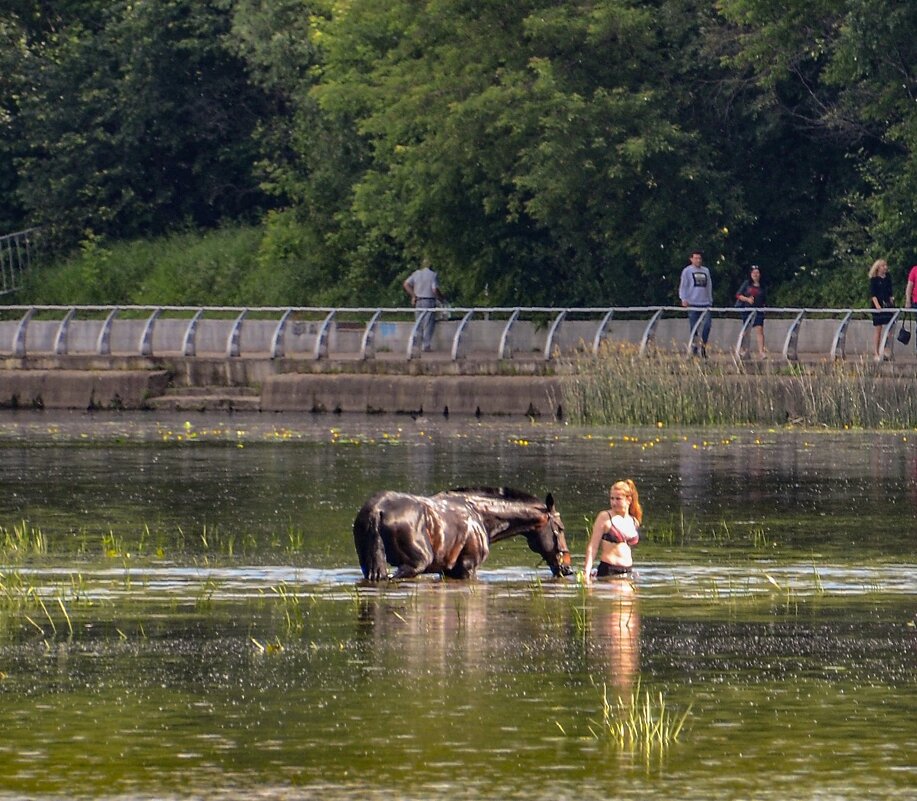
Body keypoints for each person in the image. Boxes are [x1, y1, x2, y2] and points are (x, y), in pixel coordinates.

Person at [584, 479, 642, 582]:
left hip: (628, 572)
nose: (614, 502)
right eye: (612, 498)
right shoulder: (605, 517)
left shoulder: (634, 521)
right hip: (609, 570)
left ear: (628, 500)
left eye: (618, 499)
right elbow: (593, 546)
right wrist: (586, 572)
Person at [403, 257, 445, 352]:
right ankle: (426, 345)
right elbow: (434, 289)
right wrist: (441, 298)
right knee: (428, 323)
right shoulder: (433, 275)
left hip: (418, 300)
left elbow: (406, 284)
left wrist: (413, 295)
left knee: (419, 323)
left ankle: (416, 344)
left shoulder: (416, 274)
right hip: (428, 300)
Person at [678, 250, 713, 356]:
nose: (698, 260)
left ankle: (703, 347)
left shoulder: (705, 270)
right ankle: (694, 349)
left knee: (707, 325)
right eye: (696, 258)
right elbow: (683, 285)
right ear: (691, 259)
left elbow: (709, 285)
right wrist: (683, 298)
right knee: (694, 328)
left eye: (700, 258)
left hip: (705, 303)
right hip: (693, 303)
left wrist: (710, 299)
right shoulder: (687, 271)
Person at [735, 265, 767, 358]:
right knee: (746, 330)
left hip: (759, 310)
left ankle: (761, 351)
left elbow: (764, 298)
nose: (755, 274)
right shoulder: (746, 284)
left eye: (757, 272)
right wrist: (747, 299)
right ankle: (744, 350)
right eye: (753, 273)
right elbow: (738, 295)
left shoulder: (763, 285)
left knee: (759, 330)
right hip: (747, 309)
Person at [868, 258, 894, 361]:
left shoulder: (888, 278)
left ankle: (886, 350)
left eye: (886, 265)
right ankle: (876, 352)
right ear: (878, 268)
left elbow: (890, 292)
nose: (885, 267)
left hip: (887, 305)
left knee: (890, 329)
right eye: (883, 266)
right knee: (878, 329)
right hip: (878, 305)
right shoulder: (874, 280)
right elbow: (873, 294)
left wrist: (892, 300)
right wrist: (877, 305)